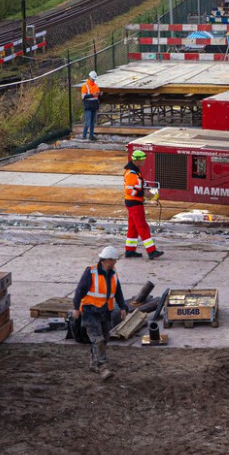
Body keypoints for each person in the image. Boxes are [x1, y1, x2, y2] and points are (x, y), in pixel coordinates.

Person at [71, 246, 130, 380]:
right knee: (98, 339)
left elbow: (118, 291)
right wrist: (76, 308)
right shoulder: (91, 272)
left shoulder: (113, 272)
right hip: (89, 311)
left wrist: (122, 306)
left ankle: (93, 363)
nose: (115, 262)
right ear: (106, 260)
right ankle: (102, 367)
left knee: (105, 337)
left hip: (104, 312)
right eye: (114, 260)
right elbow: (79, 290)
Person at [123, 149, 162, 259]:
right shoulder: (132, 174)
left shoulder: (134, 171)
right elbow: (129, 190)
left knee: (133, 227)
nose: (144, 162)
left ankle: (129, 251)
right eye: (142, 160)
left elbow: (140, 183)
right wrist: (144, 193)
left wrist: (147, 188)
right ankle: (151, 251)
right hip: (135, 203)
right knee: (142, 227)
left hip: (132, 202)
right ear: (137, 161)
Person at [79, 72, 101, 140]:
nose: (93, 80)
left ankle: (91, 136)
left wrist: (99, 94)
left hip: (94, 105)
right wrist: (92, 94)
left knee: (92, 122)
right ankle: (84, 136)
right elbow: (83, 96)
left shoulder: (96, 85)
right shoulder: (85, 85)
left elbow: (97, 94)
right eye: (92, 79)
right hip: (88, 106)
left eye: (94, 79)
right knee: (87, 122)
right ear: (89, 77)